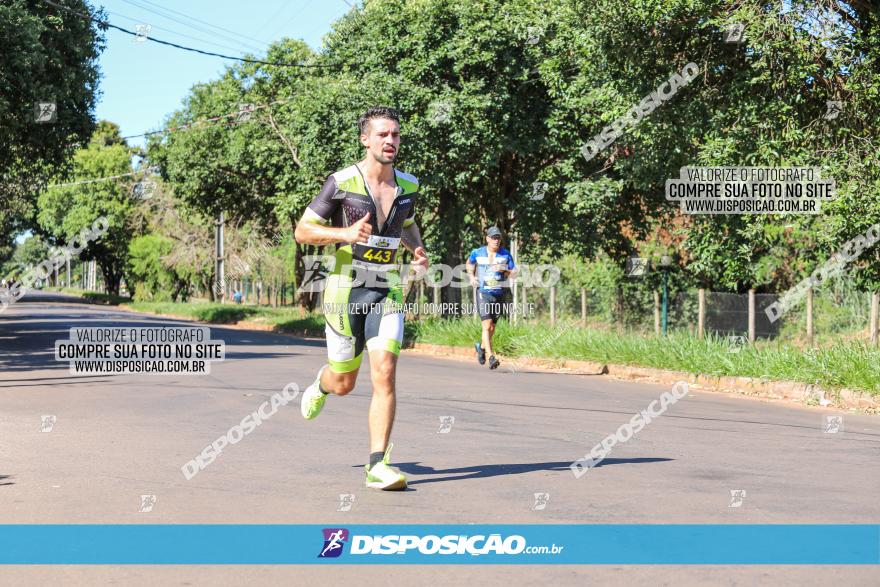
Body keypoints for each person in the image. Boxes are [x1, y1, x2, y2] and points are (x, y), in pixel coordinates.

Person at [294, 106, 429, 491]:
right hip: (344, 289)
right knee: (344, 383)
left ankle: (378, 465)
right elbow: (303, 231)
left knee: (384, 371)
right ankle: (321, 385)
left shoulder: (408, 186)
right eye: (383, 135)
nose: (391, 141)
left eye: (396, 135)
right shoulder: (341, 183)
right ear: (365, 139)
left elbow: (406, 223)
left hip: (386, 286)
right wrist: (344, 235)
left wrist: (416, 249)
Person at [466, 226, 518, 369]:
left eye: (498, 238)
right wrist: (471, 276)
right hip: (483, 292)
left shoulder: (505, 254)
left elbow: (514, 273)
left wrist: (505, 270)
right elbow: (469, 263)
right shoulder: (477, 252)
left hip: (498, 294)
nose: (496, 240)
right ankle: (491, 356)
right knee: (486, 325)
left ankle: (481, 347)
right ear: (487, 239)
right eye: (493, 238)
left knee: (492, 327)